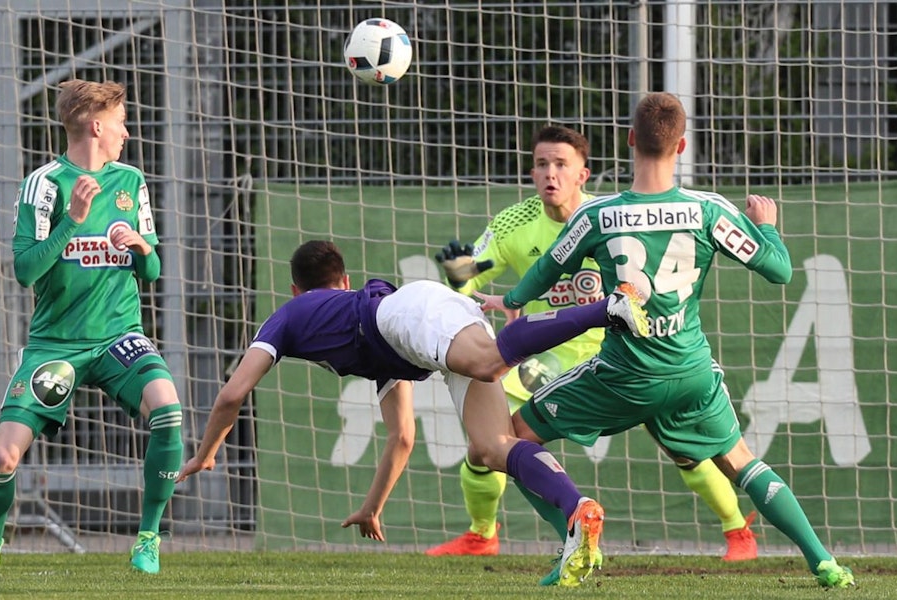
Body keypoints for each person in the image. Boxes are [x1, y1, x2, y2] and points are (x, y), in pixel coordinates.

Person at [482, 92, 855, 589]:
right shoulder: (707, 211)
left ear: (631, 140)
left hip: (621, 375)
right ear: (681, 145)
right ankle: (823, 562)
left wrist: (509, 299)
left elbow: (536, 282)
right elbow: (780, 271)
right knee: (740, 460)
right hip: (689, 373)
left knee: (508, 439)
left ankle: (573, 539)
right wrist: (768, 229)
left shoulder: (597, 217)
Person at [176, 239, 648, 587]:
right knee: (491, 447)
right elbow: (402, 435)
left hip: (413, 316)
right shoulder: (363, 344)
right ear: (343, 281)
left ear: (297, 290)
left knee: (488, 361)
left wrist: (206, 451)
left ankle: (607, 307)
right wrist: (372, 507)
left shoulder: (289, 316)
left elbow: (231, 394)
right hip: (419, 327)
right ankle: (576, 513)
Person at [428, 125, 758, 572]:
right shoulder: (513, 223)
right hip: (547, 357)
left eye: (561, 164)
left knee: (688, 450)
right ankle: (481, 535)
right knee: (487, 444)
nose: (551, 174)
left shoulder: (607, 217)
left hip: (625, 352)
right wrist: (457, 271)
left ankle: (738, 530)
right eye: (542, 164)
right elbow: (472, 278)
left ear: (584, 173)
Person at [0, 80, 183, 576]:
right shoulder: (45, 185)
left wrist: (141, 248)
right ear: (96, 126)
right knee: (5, 457)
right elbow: (26, 270)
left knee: (169, 410)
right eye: (119, 122)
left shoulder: (131, 181)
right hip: (58, 346)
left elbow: (153, 272)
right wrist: (73, 221)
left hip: (119, 337)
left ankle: (148, 538)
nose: (126, 131)